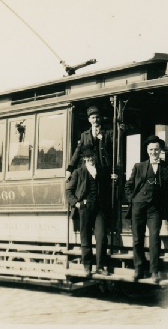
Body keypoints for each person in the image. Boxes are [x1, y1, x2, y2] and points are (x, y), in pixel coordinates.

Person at [124, 135, 168, 284]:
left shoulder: (167, 166)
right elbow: (128, 185)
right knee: (138, 239)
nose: (154, 152)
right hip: (138, 206)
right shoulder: (139, 166)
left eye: (156, 149)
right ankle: (139, 270)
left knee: (154, 239)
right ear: (147, 151)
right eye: (151, 149)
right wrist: (132, 199)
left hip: (155, 209)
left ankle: (154, 271)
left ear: (160, 150)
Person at [65, 145, 111, 277]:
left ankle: (101, 266)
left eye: (92, 156)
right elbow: (68, 191)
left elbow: (107, 190)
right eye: (87, 157)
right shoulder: (78, 172)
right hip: (85, 209)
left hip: (99, 210)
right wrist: (76, 204)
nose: (90, 158)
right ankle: (87, 266)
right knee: (85, 239)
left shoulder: (101, 171)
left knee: (101, 236)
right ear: (84, 159)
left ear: (95, 157)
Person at [66, 106, 113, 181]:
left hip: (104, 171)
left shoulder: (108, 133)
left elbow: (114, 151)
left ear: (100, 118)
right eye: (93, 118)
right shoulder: (84, 135)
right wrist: (69, 169)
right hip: (89, 171)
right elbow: (77, 152)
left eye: (97, 117)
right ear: (89, 120)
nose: (95, 120)